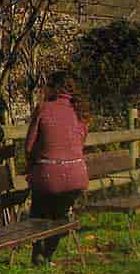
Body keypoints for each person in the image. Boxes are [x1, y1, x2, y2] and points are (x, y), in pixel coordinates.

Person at [24, 71, 90, 264]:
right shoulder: (81, 112)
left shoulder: (44, 109)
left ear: (51, 88)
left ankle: (37, 251)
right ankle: (49, 253)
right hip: (77, 176)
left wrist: (33, 165)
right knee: (59, 214)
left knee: (38, 210)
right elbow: (80, 144)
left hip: (48, 176)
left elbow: (29, 147)